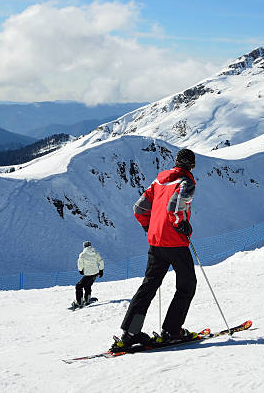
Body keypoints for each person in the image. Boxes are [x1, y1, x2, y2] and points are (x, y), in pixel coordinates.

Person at [111, 149, 197, 351]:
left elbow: (139, 208)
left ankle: (130, 333)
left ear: (175, 162)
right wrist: (180, 224)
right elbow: (174, 207)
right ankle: (172, 331)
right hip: (175, 243)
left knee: (149, 286)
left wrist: (149, 228)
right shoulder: (187, 182)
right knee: (187, 285)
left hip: (156, 243)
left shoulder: (158, 182)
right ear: (191, 165)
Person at [71, 241, 104, 309]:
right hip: (95, 273)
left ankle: (79, 302)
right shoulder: (95, 253)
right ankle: (87, 299)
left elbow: (80, 264)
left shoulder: (82, 255)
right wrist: (101, 270)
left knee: (78, 286)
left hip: (88, 274)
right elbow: (101, 261)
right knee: (87, 285)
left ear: (84, 246)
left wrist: (80, 270)